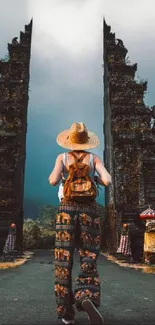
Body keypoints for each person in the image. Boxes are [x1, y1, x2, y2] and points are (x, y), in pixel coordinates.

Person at [49, 122, 111, 325]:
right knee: (89, 256)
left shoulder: (62, 157)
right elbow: (108, 180)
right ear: (86, 141)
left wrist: (64, 176)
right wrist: (94, 177)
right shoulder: (94, 158)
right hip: (89, 212)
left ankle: (66, 313)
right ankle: (86, 297)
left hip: (66, 211)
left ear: (69, 140)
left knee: (63, 261)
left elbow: (52, 180)